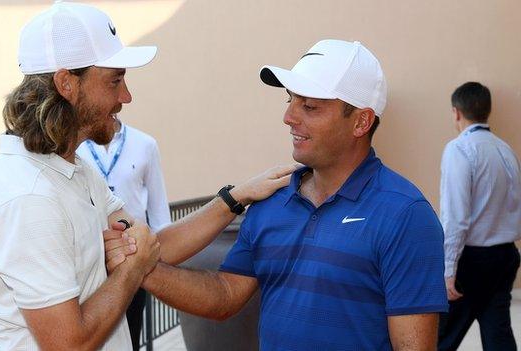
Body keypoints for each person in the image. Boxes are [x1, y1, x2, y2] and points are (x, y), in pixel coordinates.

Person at [0, 2, 294, 350]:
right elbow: (68, 345)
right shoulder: (27, 197)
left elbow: (154, 247)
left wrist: (234, 198)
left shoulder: (72, 169)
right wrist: (132, 269)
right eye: (115, 81)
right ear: (66, 83)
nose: (126, 96)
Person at [112, 39, 448, 350]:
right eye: (291, 101)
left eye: (310, 107)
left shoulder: (406, 215)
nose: (289, 117)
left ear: (361, 122)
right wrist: (142, 268)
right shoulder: (270, 201)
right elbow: (225, 295)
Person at [438, 82, 521, 351]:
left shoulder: (459, 149)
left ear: (456, 113)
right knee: (498, 334)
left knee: (440, 337)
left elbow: (455, 216)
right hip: (505, 255)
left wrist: (448, 269)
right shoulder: (505, 150)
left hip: (472, 260)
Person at [76, 118, 171, 350]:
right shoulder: (75, 147)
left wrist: (159, 268)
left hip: (132, 260)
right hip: (89, 267)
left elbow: (159, 214)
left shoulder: (145, 144)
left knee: (132, 336)